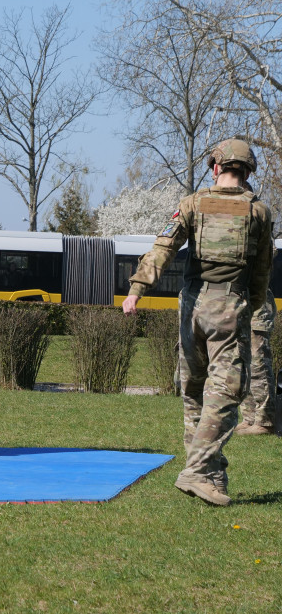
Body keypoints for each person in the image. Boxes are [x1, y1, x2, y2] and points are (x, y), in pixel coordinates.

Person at [122, 138, 274, 506]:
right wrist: (253, 307)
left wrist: (137, 290)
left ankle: (211, 477)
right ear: (248, 172)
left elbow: (163, 248)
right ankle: (198, 471)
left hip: (191, 306)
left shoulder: (191, 204)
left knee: (193, 390)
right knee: (225, 391)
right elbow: (261, 270)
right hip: (229, 305)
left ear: (216, 167)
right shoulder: (259, 212)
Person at [237, 294, 277, 435]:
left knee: (258, 366)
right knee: (243, 365)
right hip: (238, 307)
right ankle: (249, 418)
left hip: (256, 307)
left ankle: (265, 422)